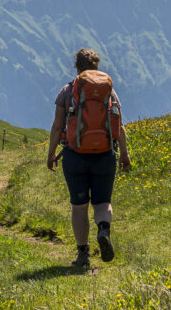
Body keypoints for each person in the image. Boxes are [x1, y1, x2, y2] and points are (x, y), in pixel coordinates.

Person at [47, 48, 131, 267]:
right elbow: (119, 126)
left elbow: (57, 126)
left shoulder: (67, 90)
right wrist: (124, 155)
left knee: (79, 206)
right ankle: (103, 230)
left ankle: (83, 254)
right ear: (96, 67)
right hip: (104, 155)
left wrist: (51, 154)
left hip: (75, 156)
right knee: (102, 202)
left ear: (77, 67)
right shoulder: (109, 92)